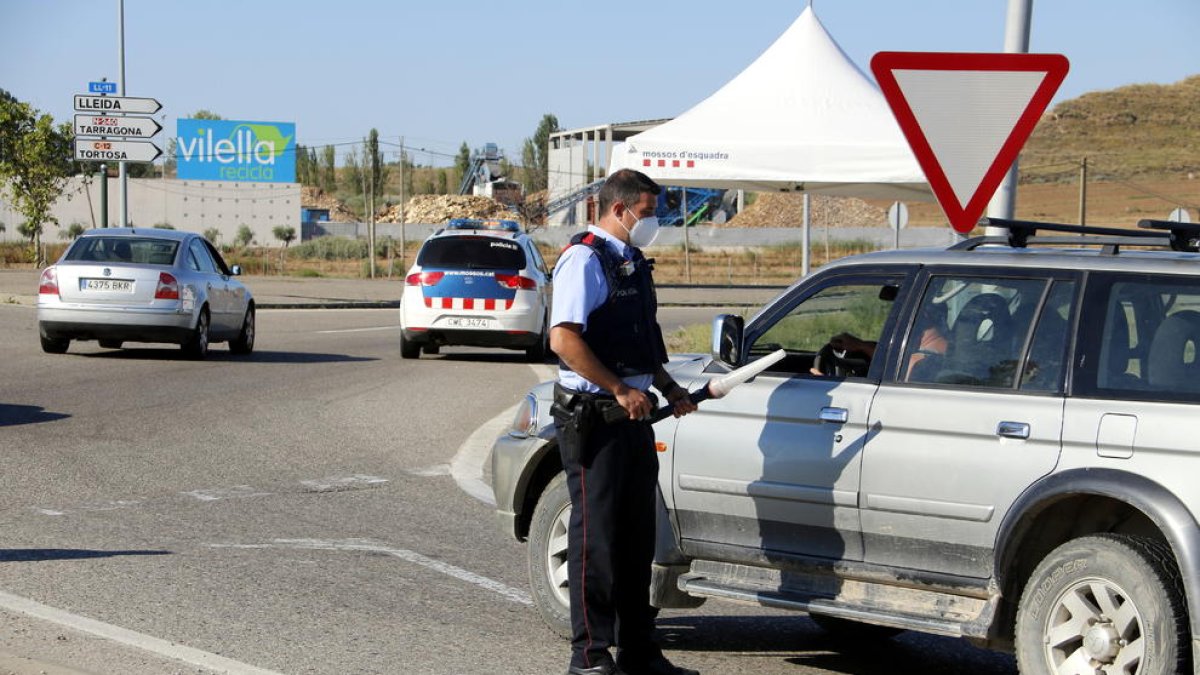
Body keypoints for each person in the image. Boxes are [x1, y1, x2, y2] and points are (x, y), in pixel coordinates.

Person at [549, 169, 699, 675]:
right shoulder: (584, 259)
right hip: (596, 417)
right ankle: (589, 656)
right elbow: (564, 340)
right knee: (598, 540)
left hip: (633, 413)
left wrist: (669, 387)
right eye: (648, 211)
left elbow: (642, 340)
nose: (654, 221)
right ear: (619, 210)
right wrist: (618, 388)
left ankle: (639, 649)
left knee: (638, 537)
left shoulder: (630, 261)